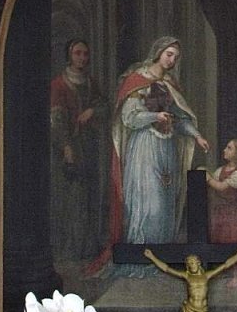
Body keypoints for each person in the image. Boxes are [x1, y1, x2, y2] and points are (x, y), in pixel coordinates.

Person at [112, 36, 209, 244]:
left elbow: (179, 118)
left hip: (167, 147)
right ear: (158, 53)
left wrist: (197, 135)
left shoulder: (169, 84)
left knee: (166, 202)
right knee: (150, 203)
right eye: (169, 54)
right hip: (145, 147)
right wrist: (155, 116)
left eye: (176, 57)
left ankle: (162, 252)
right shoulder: (137, 80)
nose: (172, 60)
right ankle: (143, 251)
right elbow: (129, 118)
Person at [48, 38, 107, 277]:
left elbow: (104, 105)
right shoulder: (59, 84)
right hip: (69, 149)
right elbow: (55, 120)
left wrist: (92, 111)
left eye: (85, 54)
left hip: (89, 147)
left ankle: (88, 250)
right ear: (69, 56)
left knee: (91, 195)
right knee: (72, 198)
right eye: (78, 53)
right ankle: (70, 250)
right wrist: (66, 147)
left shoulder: (90, 82)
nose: (82, 58)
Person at [144, 246, 237, 312]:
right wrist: (152, 257)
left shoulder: (206, 276)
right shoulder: (187, 276)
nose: (191, 266)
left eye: (192, 263)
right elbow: (167, 269)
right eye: (189, 264)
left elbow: (225, 266)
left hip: (202, 310)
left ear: (198, 263)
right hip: (191, 309)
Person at [206, 138, 237, 245]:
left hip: (233, 214)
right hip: (219, 212)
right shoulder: (220, 170)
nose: (224, 150)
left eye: (229, 148)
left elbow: (221, 187)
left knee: (232, 239)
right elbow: (213, 188)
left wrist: (207, 177)